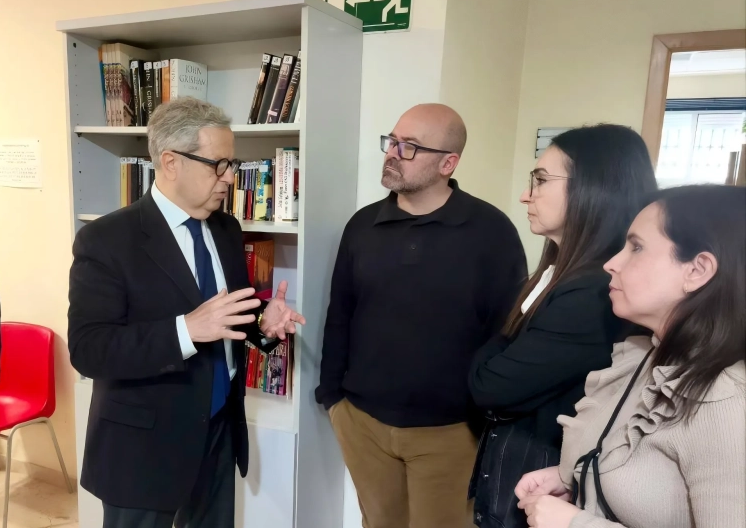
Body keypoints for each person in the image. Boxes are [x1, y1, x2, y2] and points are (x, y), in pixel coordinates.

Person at [68, 97, 305, 528]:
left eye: (232, 164)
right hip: (144, 447)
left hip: (218, 430)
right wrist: (186, 330)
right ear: (171, 162)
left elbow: (227, 314)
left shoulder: (227, 228)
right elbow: (89, 350)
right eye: (219, 165)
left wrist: (262, 325)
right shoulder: (106, 240)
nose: (230, 177)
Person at [315, 103, 528, 528]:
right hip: (363, 423)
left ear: (448, 163)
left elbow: (506, 334)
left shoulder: (491, 232)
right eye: (392, 141)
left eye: (409, 146)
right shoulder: (362, 226)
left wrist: (482, 419)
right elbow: (340, 315)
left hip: (451, 432)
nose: (392, 153)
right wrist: (333, 398)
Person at [515, 185, 746, 528]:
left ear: (697, 270)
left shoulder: (725, 402)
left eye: (636, 247)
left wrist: (577, 524)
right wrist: (578, 480)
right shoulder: (645, 357)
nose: (611, 264)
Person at [466, 124, 657, 528]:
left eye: (541, 180)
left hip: (545, 477)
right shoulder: (560, 273)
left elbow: (491, 386)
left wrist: (502, 337)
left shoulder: (593, 292)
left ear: (594, 188)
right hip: (527, 468)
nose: (525, 195)